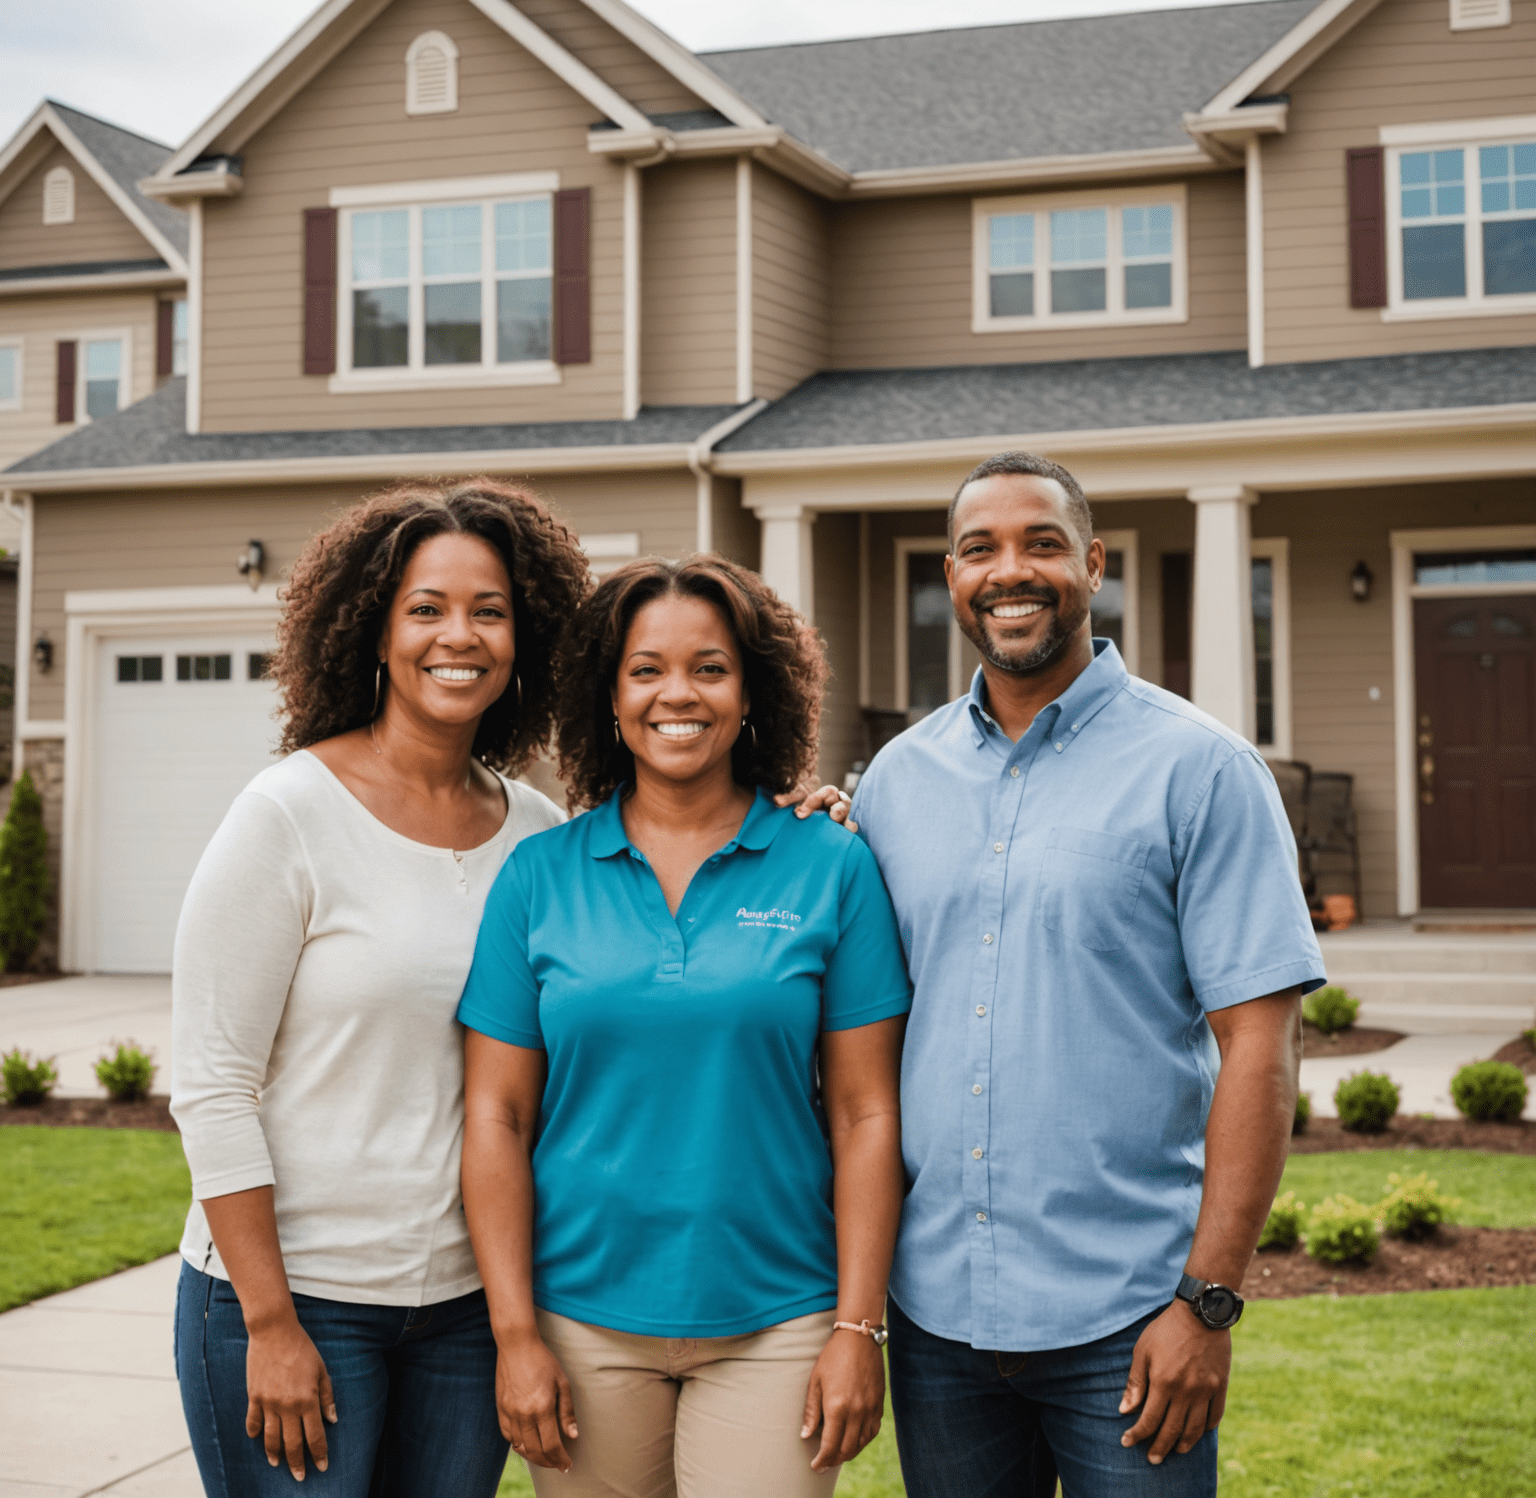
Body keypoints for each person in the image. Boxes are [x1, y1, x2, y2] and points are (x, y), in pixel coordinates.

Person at [845, 452, 1325, 1496]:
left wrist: (1207, 1303)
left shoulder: (1201, 769)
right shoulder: (892, 784)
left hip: (1131, 1320)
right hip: (939, 1323)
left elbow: (1261, 1043)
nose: (1010, 571)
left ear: (1093, 564)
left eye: (1042, 543)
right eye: (981, 549)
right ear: (953, 573)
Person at [456, 555, 912, 1498]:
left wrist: (856, 1328)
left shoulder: (830, 865)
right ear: (609, 697)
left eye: (710, 667)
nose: (679, 694)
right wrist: (514, 1336)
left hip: (780, 1318)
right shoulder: (539, 877)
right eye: (646, 669)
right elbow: (496, 1117)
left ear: (751, 692)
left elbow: (867, 1115)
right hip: (580, 1320)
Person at [170, 479, 589, 1495]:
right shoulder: (288, 815)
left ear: (525, 640)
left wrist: (800, 821)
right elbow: (212, 1084)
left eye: (490, 611)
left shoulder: (538, 832)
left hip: (465, 1312)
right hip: (297, 1302)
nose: (462, 635)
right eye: (428, 608)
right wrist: (269, 1324)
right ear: (373, 631)